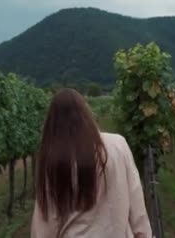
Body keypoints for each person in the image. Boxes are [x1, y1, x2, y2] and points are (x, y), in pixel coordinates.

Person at [31, 88, 152, 237]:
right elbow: (137, 204)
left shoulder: (53, 159)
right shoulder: (118, 145)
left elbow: (46, 223)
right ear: (86, 114)